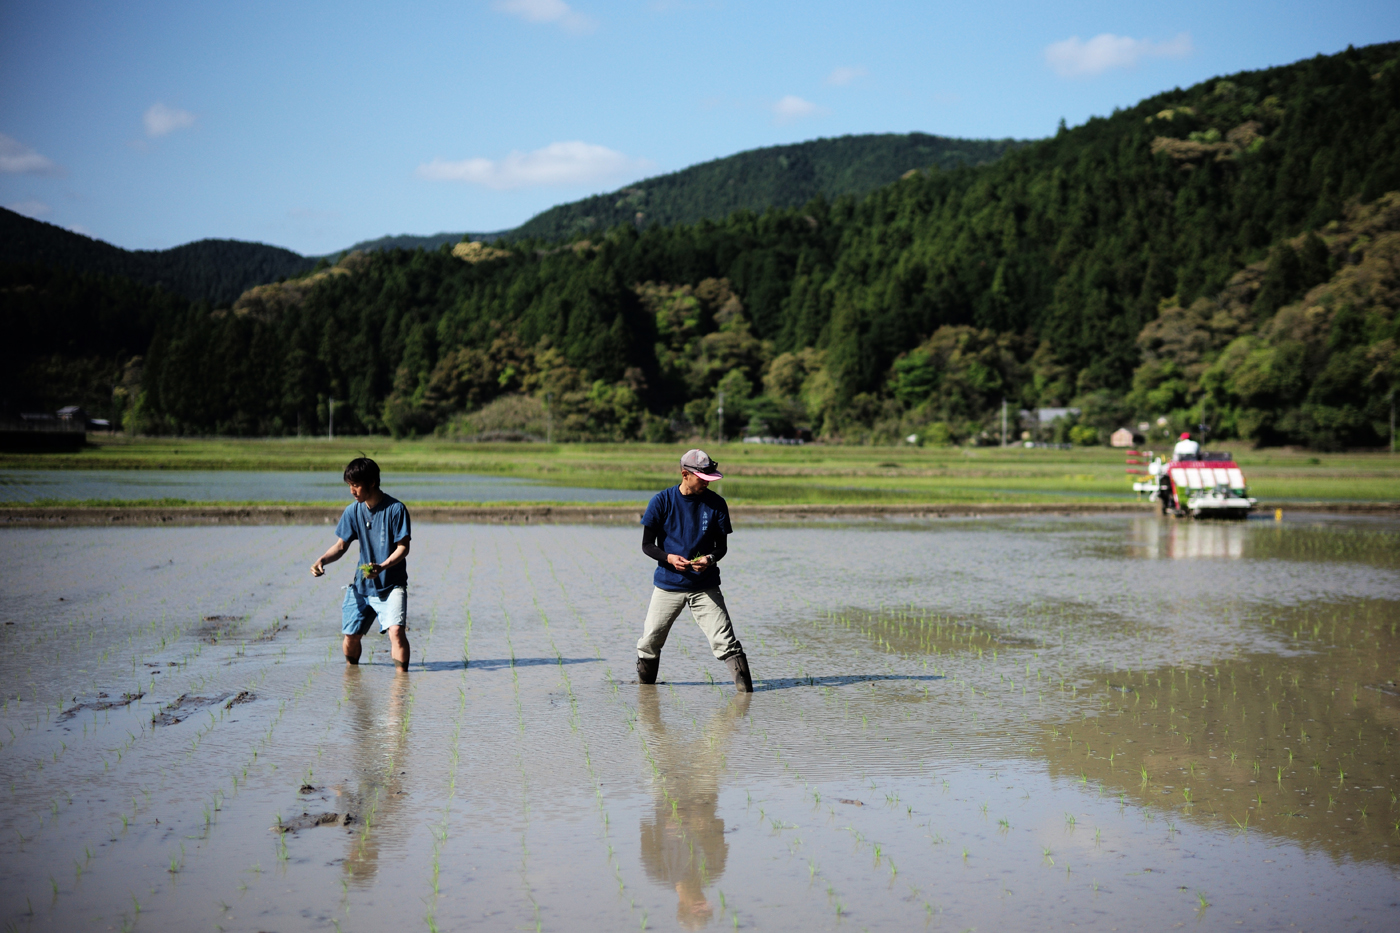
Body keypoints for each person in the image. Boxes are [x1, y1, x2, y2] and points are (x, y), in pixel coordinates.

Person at [636, 449, 753, 692]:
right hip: (669, 584)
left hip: (705, 585)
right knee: (649, 642)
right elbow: (647, 545)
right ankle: (646, 695)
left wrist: (710, 558)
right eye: (703, 479)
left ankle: (747, 697)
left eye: (710, 479)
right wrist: (668, 558)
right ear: (685, 475)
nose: (707, 484)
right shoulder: (662, 501)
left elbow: (721, 548)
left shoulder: (717, 504)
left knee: (726, 642)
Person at [310, 457, 412, 670]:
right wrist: (322, 560)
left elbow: (403, 547)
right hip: (362, 586)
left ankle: (402, 684)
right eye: (349, 485)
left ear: (372, 482)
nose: (352, 491)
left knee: (396, 632)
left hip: (391, 585)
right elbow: (340, 546)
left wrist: (382, 567)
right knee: (350, 637)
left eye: (356, 485)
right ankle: (352, 676)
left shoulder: (395, 509)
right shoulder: (353, 511)